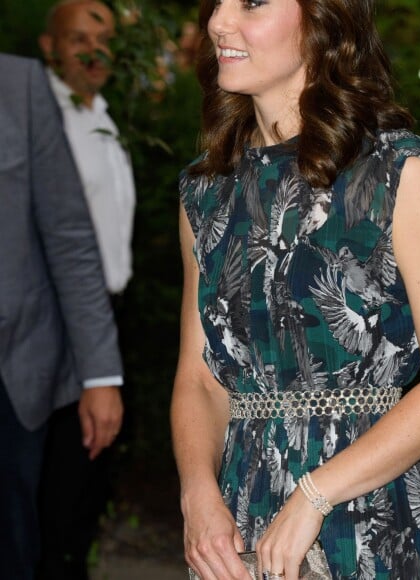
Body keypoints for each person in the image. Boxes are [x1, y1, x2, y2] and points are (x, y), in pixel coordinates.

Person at [171, 1, 420, 578]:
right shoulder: (205, 192)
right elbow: (199, 378)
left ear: (324, 19)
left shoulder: (400, 173)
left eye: (254, 2)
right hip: (239, 522)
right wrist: (197, 496)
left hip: (368, 513)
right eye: (217, 2)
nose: (220, 22)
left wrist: (315, 496)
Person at [0, 53, 123, 580]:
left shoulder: (19, 85)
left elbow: (69, 235)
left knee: (12, 547)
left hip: (11, 371)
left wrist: (99, 373)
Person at [36, 1, 136, 577]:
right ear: (50, 47)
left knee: (88, 479)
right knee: (56, 481)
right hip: (64, 323)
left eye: (103, 42)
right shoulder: (43, 123)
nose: (94, 53)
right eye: (79, 40)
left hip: (106, 317)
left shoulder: (102, 116)